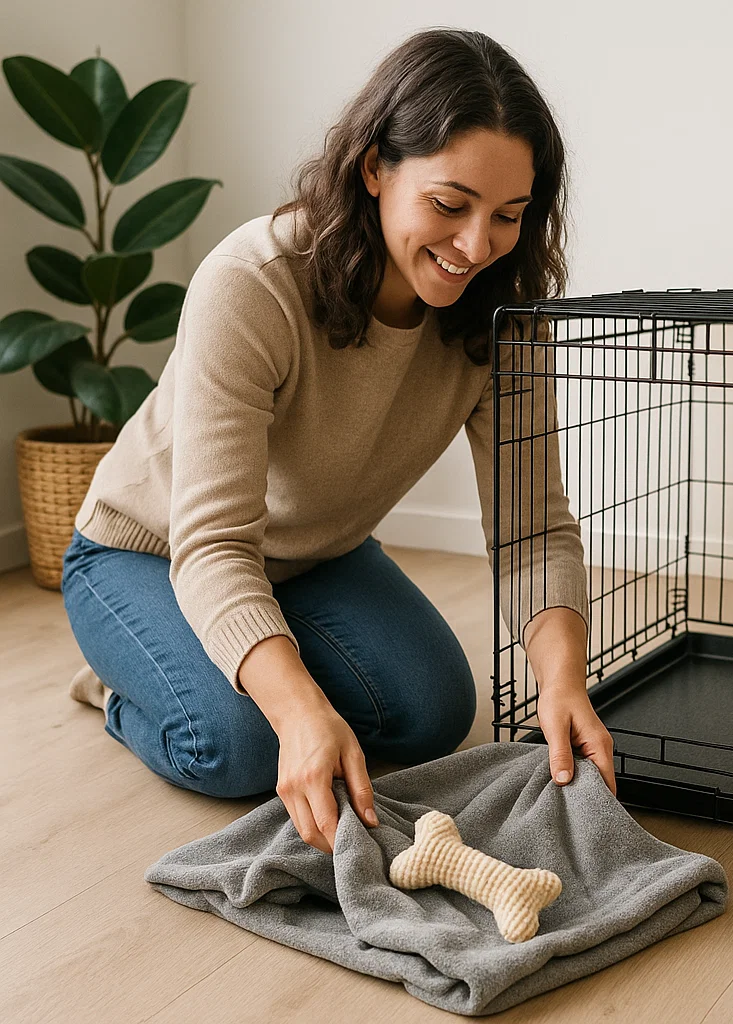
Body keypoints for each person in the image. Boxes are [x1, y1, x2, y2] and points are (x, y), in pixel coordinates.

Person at [62, 28, 615, 856]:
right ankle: (120, 684)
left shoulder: (508, 313)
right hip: (148, 552)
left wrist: (563, 680)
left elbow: (533, 522)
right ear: (374, 169)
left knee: (433, 712)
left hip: (314, 555)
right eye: (449, 204)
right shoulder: (252, 283)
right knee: (242, 747)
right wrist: (298, 711)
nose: (476, 246)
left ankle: (247, 652)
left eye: (508, 215)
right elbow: (212, 544)